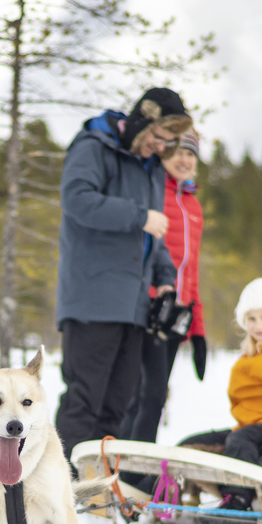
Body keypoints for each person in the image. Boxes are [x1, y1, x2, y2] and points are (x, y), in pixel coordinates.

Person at [54, 87, 191, 464]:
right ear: (141, 122)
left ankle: (95, 489)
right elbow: (77, 198)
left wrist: (165, 279)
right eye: (157, 137)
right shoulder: (94, 146)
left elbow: (155, 234)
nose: (160, 147)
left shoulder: (149, 170)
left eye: (169, 141)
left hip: (133, 306)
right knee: (84, 400)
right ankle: (60, 489)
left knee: (118, 405)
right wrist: (138, 216)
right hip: (93, 299)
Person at [177, 276, 262, 517]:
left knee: (239, 441)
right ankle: (164, 493)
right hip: (248, 425)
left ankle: (237, 500)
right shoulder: (252, 354)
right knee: (191, 442)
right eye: (251, 318)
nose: (258, 325)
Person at [120, 129, 208, 444]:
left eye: (191, 154)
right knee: (145, 394)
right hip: (147, 310)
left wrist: (198, 330)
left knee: (153, 396)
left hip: (176, 316)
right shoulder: (155, 193)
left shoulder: (194, 207)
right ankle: (127, 470)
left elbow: (192, 272)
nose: (184, 160)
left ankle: (128, 467)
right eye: (178, 153)